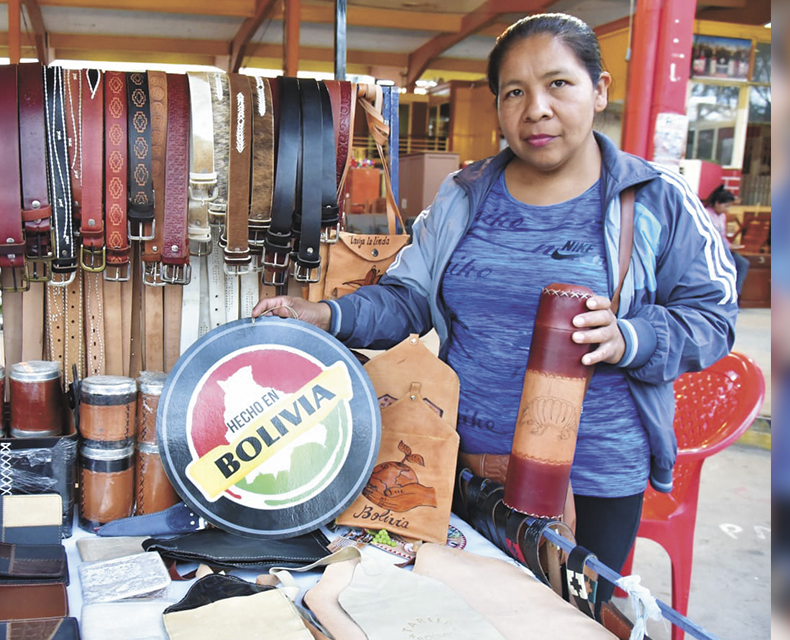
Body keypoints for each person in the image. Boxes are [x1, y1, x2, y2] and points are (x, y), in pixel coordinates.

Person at [252, 12, 737, 613]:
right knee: (463, 615)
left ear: (600, 89)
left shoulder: (655, 199)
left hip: (592, 473)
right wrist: (324, 316)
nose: (536, 108)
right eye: (515, 91)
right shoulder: (463, 197)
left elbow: (713, 318)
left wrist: (630, 337)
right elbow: (407, 299)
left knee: (568, 622)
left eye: (559, 83)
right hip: (463, 465)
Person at [704, 184, 749, 296]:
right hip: (710, 250)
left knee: (742, 263)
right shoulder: (706, 214)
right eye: (726, 206)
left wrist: (731, 245)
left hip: (723, 249)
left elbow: (722, 235)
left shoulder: (722, 216)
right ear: (717, 203)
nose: (727, 210)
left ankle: (735, 294)